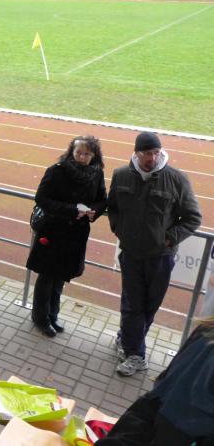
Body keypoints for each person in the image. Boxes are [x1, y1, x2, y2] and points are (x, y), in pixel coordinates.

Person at [108, 132, 202, 376]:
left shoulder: (176, 179)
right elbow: (113, 208)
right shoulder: (121, 175)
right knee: (132, 305)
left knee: (149, 306)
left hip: (161, 257)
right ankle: (135, 355)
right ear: (136, 153)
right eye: (147, 153)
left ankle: (126, 339)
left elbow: (193, 218)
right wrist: (119, 230)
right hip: (131, 253)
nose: (152, 158)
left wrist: (168, 239)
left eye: (155, 152)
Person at [26, 135, 107, 337]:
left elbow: (102, 200)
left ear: (94, 155)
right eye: (78, 152)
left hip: (76, 234)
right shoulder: (57, 171)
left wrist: (93, 211)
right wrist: (72, 210)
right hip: (53, 231)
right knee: (47, 276)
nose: (82, 157)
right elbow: (41, 198)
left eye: (86, 154)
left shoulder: (97, 174)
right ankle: (41, 318)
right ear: (71, 152)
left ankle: (53, 315)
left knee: (61, 276)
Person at [96, 316, 214, 445]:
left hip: (150, 416)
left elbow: (164, 381)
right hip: (163, 424)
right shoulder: (206, 330)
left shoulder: (206, 329)